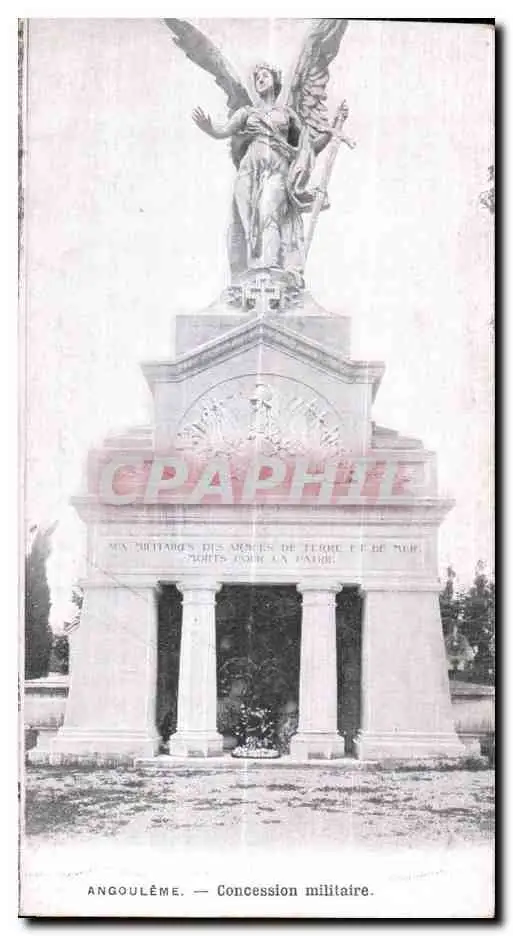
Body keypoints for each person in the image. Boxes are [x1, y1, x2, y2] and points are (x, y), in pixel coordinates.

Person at [192, 63, 324, 288]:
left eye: (265, 76)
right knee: (246, 221)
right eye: (257, 78)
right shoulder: (247, 113)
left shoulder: (286, 114)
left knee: (267, 211)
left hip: (277, 168)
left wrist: (331, 131)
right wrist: (208, 127)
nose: (260, 80)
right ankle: (251, 271)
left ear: (275, 81)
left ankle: (269, 267)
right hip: (248, 170)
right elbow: (223, 131)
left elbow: (306, 146)